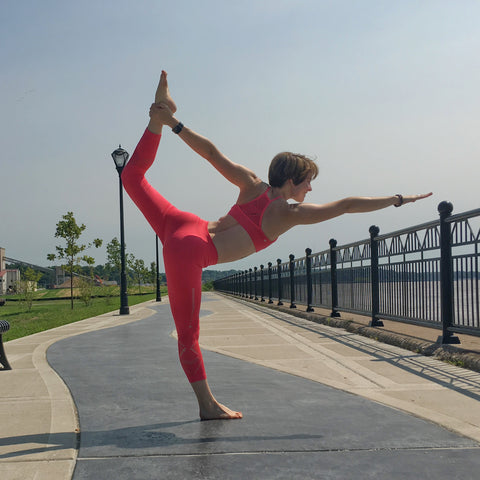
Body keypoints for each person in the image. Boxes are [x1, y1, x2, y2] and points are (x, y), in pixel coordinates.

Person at [121, 71, 432, 420]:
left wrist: (174, 124)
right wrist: (398, 199)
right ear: (291, 181)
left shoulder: (251, 183)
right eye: (308, 183)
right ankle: (207, 406)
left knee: (131, 176)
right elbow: (346, 205)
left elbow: (211, 153)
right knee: (188, 336)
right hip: (190, 250)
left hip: (184, 223)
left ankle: (158, 117)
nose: (310, 190)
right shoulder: (287, 213)